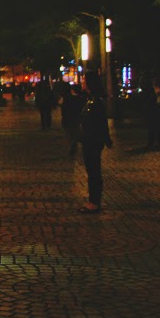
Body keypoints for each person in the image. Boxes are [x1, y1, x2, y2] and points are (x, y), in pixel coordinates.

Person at [77, 71, 112, 214]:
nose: (82, 82)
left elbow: (102, 122)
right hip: (88, 139)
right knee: (91, 170)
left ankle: (94, 202)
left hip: (93, 140)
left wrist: (107, 139)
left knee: (94, 171)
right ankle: (93, 200)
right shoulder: (89, 99)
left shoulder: (96, 101)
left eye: (84, 80)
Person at [141, 78, 160, 150]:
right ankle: (151, 142)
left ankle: (159, 141)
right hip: (153, 109)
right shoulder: (150, 88)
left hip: (159, 108)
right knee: (152, 126)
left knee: (159, 126)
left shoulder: (159, 87)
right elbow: (148, 99)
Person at [60, 83, 84, 156]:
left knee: (70, 134)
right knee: (75, 133)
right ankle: (73, 145)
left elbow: (63, 110)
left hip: (68, 119)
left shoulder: (67, 99)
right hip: (76, 119)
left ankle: (72, 146)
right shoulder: (81, 99)